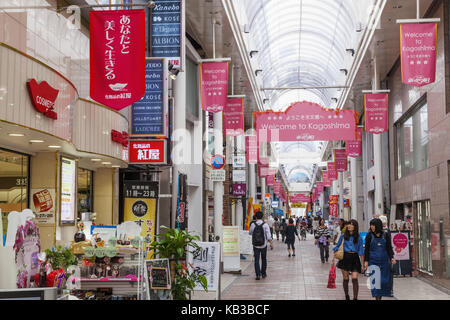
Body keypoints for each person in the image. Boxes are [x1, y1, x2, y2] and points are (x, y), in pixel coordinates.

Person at [332, 219, 364, 300]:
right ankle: (347, 295)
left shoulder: (359, 237)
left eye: (352, 224)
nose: (349, 226)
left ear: (355, 226)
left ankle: (355, 298)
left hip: (355, 258)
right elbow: (337, 246)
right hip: (345, 258)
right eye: (349, 224)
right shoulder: (343, 236)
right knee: (346, 278)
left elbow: (361, 251)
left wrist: (363, 265)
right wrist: (333, 258)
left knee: (354, 278)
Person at [364, 218, 396, 300]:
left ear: (378, 226)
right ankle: (377, 298)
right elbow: (366, 249)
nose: (372, 227)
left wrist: (392, 257)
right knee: (375, 283)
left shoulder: (385, 235)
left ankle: (380, 297)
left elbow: (389, 248)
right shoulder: (369, 236)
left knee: (383, 281)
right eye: (371, 225)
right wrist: (366, 261)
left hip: (385, 262)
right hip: (373, 262)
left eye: (373, 225)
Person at [249, 211, 273, 280]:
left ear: (256, 217)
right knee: (264, 259)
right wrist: (271, 244)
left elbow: (250, 233)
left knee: (256, 260)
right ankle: (263, 273)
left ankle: (257, 274)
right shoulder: (265, 225)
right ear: (262, 217)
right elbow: (268, 236)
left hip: (255, 245)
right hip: (263, 245)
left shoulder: (253, 225)